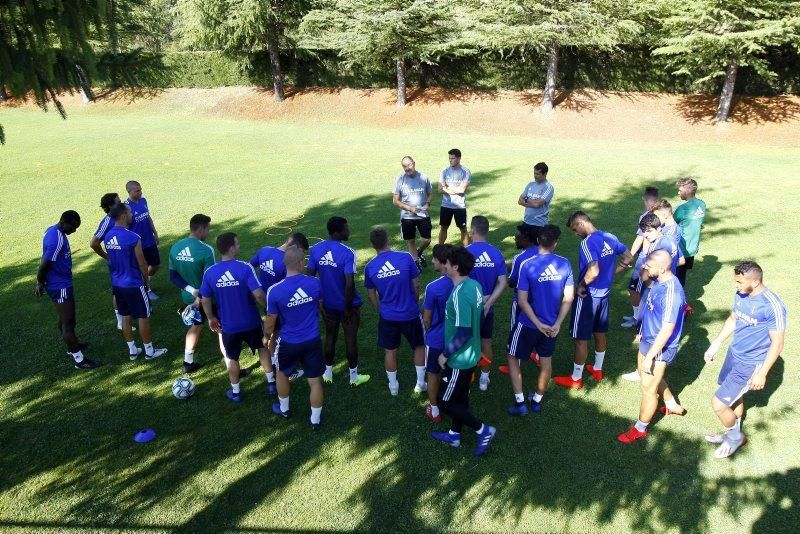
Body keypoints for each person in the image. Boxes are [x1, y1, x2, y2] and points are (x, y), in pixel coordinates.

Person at [703, 261, 787, 459]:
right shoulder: (741, 294)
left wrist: (762, 373)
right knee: (734, 398)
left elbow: (777, 343)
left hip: (750, 363)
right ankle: (732, 432)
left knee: (718, 404)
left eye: (740, 282)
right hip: (734, 354)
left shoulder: (772, 305)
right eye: (736, 281)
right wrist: (717, 343)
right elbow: (733, 319)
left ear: (756, 281)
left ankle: (735, 438)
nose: (736, 285)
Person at [554, 211, 632, 389]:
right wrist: (612, 273)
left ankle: (576, 378)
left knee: (581, 338)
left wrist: (581, 285)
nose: (575, 234)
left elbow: (594, 271)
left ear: (581, 224)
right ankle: (597, 369)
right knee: (599, 332)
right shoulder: (609, 236)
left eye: (575, 229)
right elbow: (628, 257)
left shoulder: (587, 243)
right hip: (604, 294)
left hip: (588, 296)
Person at [430, 247, 496, 456]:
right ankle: (455, 435)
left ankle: (483, 430)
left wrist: (445, 354)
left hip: (459, 358)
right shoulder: (474, 285)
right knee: (460, 398)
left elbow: (464, 331)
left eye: (447, 262)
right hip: (472, 354)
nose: (444, 264)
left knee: (445, 401)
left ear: (455, 267)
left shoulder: (458, 294)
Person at [617, 249, 687, 444]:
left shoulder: (672, 293)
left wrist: (651, 356)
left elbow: (667, 328)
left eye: (649, 265)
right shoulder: (658, 282)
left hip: (660, 347)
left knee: (648, 389)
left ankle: (640, 428)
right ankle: (671, 404)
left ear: (664, 267)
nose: (645, 267)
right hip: (648, 339)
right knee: (646, 376)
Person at [200, 232, 277, 403]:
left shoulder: (210, 272)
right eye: (237, 243)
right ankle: (271, 383)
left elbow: (205, 299)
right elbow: (258, 295)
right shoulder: (244, 267)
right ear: (232, 248)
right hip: (250, 322)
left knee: (232, 357)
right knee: (262, 349)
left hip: (228, 326)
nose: (239, 246)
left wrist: (211, 317)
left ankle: (236, 392)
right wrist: (269, 310)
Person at [507, 224, 573, 415]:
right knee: (546, 362)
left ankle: (520, 403)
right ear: (556, 243)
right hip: (552, 326)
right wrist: (557, 324)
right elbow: (568, 298)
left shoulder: (528, 265)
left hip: (528, 324)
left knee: (512, 357)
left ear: (538, 241)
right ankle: (537, 400)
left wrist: (537, 324)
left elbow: (522, 300)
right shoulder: (565, 263)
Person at [621, 213, 685, 382]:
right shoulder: (670, 241)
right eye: (643, 232)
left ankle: (643, 368)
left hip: (655, 288)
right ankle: (668, 399)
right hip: (661, 283)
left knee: (647, 327)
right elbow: (682, 260)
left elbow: (646, 272)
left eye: (648, 232)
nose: (645, 236)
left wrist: (651, 276)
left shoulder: (660, 246)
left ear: (658, 229)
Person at [266, 246, 325, 429]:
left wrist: (267, 337)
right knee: (315, 381)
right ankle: (315, 420)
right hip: (312, 340)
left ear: (285, 264)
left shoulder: (274, 290)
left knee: (282, 373)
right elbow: (321, 306)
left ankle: (284, 409)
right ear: (301, 262)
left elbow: (270, 322)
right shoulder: (314, 283)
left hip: (289, 342)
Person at [307, 217, 369, 387]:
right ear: (337, 232)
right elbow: (349, 284)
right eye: (346, 229)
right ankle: (354, 377)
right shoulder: (347, 252)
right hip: (347, 305)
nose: (348, 232)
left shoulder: (316, 249)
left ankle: (327, 374)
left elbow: (309, 277)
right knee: (350, 339)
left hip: (328, 304)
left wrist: (319, 301)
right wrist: (348, 308)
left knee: (330, 337)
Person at [364, 227, 426, 396]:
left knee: (390, 350)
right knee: (419, 346)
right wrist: (415, 299)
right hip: (410, 313)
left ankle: (393, 386)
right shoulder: (405, 258)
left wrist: (379, 308)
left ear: (373, 245)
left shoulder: (370, 267)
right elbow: (416, 284)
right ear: (388, 240)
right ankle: (420, 384)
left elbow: (371, 293)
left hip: (388, 316)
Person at [35, 210, 101, 369]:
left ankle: (74, 344)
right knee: (68, 323)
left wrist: (41, 282)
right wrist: (40, 282)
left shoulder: (52, 230)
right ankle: (79, 360)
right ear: (64, 223)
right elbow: (44, 263)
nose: (74, 230)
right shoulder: (56, 239)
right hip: (59, 286)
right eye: (73, 227)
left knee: (67, 319)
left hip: (59, 283)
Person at [103, 203, 167, 361]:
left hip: (117, 283)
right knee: (143, 316)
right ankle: (149, 351)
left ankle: (132, 350)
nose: (132, 215)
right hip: (133, 283)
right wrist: (146, 283)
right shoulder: (132, 237)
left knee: (125, 316)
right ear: (124, 216)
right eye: (130, 212)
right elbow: (143, 264)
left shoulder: (108, 235)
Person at [251, 231, 309, 380]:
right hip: (283, 306)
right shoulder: (287, 262)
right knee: (282, 337)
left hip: (267, 302)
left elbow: (250, 267)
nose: (300, 256)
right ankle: (286, 370)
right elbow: (292, 286)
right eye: (301, 252)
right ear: (295, 246)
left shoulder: (264, 251)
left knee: (275, 334)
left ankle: (274, 362)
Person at [168, 214, 216, 373]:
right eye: (208, 229)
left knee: (196, 326)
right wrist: (200, 295)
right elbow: (210, 279)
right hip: (207, 298)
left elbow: (173, 276)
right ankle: (234, 367)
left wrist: (192, 291)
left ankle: (188, 362)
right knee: (222, 329)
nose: (208, 232)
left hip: (188, 297)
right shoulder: (206, 250)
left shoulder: (175, 247)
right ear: (201, 228)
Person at [465, 216, 507, 391]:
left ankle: (467, 376)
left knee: (467, 342)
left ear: (472, 231)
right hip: (488, 308)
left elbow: (459, 281)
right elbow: (502, 282)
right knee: (486, 341)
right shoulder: (496, 253)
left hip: (469, 307)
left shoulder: (465, 252)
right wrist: (489, 302)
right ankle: (484, 378)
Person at [499, 224, 540, 374]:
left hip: (521, 302)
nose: (515, 238)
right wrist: (509, 266)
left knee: (516, 331)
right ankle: (537, 355)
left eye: (517, 236)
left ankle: (515, 365)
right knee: (537, 328)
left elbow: (511, 283)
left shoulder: (520, 258)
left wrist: (502, 276)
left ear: (526, 238)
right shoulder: (542, 252)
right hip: (539, 301)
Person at [422, 244, 454, 423]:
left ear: (443, 263)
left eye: (434, 258)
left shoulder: (433, 287)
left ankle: (434, 411)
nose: (432, 260)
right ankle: (455, 402)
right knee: (454, 371)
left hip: (436, 339)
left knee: (433, 374)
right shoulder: (464, 282)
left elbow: (427, 319)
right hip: (457, 338)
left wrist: (429, 332)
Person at [622, 186, 660, 328]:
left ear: (653, 201)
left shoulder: (648, 218)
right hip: (648, 258)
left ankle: (637, 319)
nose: (645, 204)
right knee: (637, 289)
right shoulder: (654, 216)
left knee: (635, 289)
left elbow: (640, 239)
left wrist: (629, 256)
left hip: (645, 259)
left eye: (646, 201)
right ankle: (636, 316)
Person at [90, 192, 128, 330]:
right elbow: (94, 243)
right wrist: (108, 257)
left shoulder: (123, 215)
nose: (122, 202)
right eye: (118, 201)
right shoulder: (107, 222)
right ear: (110, 206)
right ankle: (120, 321)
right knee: (118, 291)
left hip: (128, 260)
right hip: (117, 263)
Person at [393, 156, 433, 269]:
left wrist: (427, 204)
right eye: (404, 166)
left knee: (426, 240)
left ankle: (419, 252)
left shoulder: (423, 177)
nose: (407, 168)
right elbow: (395, 201)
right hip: (407, 217)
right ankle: (415, 264)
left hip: (422, 215)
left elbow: (430, 193)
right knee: (411, 241)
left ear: (414, 163)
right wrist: (410, 208)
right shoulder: (400, 179)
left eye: (409, 165)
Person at [124, 181, 161, 301]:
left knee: (155, 265)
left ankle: (145, 281)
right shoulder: (126, 207)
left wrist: (155, 233)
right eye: (137, 191)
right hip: (137, 244)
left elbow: (148, 217)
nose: (140, 192)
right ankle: (147, 290)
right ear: (129, 192)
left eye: (140, 190)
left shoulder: (143, 201)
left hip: (149, 240)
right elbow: (125, 227)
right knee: (142, 267)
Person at [673, 177, 706, 289]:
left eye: (680, 190)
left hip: (680, 249)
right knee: (682, 275)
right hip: (692, 248)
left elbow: (671, 224)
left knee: (674, 277)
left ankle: (678, 302)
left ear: (687, 191)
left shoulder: (682, 209)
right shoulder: (702, 204)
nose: (678, 193)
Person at [438, 148, 471, 246]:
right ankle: (440, 248)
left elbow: (462, 190)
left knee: (463, 229)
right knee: (443, 228)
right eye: (449, 158)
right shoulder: (444, 171)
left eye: (453, 158)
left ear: (459, 158)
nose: (450, 160)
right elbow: (440, 189)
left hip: (459, 206)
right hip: (446, 205)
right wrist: (455, 190)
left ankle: (467, 251)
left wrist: (447, 188)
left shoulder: (465, 172)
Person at [517, 162, 554, 244]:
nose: (535, 175)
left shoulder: (548, 188)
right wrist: (531, 201)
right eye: (534, 173)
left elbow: (538, 204)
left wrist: (526, 199)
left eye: (538, 174)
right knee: (525, 247)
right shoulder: (530, 185)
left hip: (539, 225)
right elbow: (520, 200)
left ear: (545, 174)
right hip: (526, 222)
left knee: (538, 250)